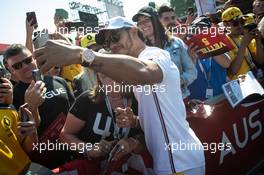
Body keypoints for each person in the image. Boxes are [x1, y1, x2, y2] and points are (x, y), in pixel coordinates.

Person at [34, 16, 205, 175]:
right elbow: (163, 118)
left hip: (179, 161)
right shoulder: (133, 73)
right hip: (173, 161)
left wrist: (81, 55)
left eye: (115, 37)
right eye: (108, 43)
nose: (113, 45)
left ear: (133, 31)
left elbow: (145, 72)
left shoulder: (153, 54)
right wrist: (136, 121)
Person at [59, 73, 150, 174]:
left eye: (116, 77)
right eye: (104, 76)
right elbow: (65, 135)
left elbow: (155, 138)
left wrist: (133, 143)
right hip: (92, 167)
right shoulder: (87, 100)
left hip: (129, 166)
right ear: (98, 77)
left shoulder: (140, 100)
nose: (111, 84)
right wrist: (89, 149)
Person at [4, 44, 75, 168]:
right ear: (12, 70)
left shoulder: (58, 81)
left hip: (75, 152)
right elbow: (23, 141)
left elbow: (76, 112)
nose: (25, 66)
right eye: (17, 66)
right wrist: (31, 106)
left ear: (34, 58)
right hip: (46, 164)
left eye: (27, 60)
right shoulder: (12, 99)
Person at [133, 6, 197, 100]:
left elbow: (192, 72)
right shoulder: (139, 51)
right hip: (158, 105)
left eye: (146, 20)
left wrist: (179, 80)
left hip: (182, 99)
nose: (143, 25)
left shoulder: (176, 43)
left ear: (156, 20)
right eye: (139, 22)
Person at [187, 16, 231, 100]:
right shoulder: (188, 50)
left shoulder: (219, 45)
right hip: (199, 102)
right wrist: (191, 58)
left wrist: (209, 45)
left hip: (222, 97)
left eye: (204, 30)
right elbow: (187, 76)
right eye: (196, 31)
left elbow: (227, 64)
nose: (200, 34)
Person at [222, 7, 264, 80]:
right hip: (241, 85)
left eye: (242, 21)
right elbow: (233, 71)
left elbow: (260, 60)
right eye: (235, 23)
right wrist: (243, 45)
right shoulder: (223, 43)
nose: (240, 25)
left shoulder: (244, 37)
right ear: (225, 25)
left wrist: (258, 40)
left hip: (254, 80)